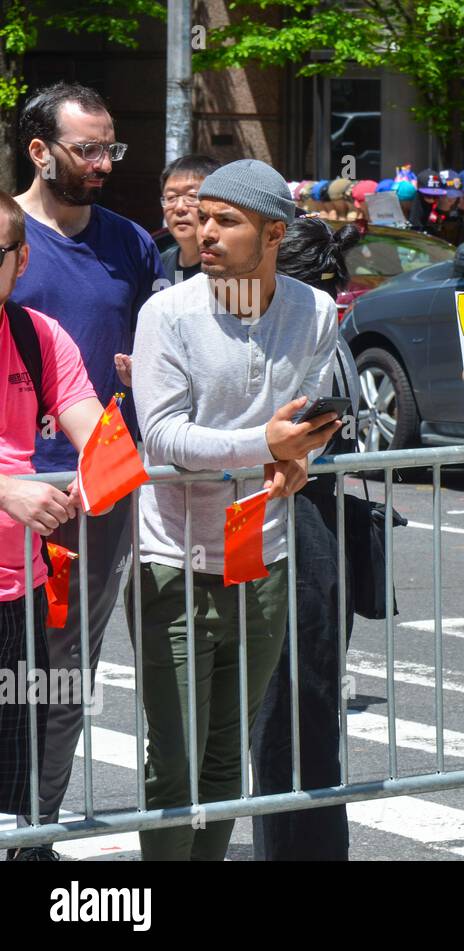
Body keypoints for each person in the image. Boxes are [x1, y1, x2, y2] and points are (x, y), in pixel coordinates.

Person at [129, 159, 342, 860]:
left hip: (264, 555)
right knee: (176, 762)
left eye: (226, 219)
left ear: (274, 232)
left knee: (227, 756)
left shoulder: (314, 310)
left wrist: (299, 452)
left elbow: (305, 417)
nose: (203, 229)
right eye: (201, 215)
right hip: (175, 560)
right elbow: (160, 434)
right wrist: (265, 443)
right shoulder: (168, 312)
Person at [9, 81, 164, 858]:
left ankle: (32, 828)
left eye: (112, 148)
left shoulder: (132, 245)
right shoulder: (7, 240)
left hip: (95, 496)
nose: (103, 163)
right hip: (12, 501)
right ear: (39, 151)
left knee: (64, 677)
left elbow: (157, 358)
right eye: (87, 148)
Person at [250, 214, 364, 861]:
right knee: (296, 717)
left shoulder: (306, 337)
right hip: (299, 535)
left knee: (291, 717)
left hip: (299, 534)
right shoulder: (317, 332)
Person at [0, 193, 105, 852]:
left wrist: (102, 466)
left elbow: (93, 427)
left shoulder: (38, 335)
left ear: (20, 259)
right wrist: (5, 491)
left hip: (21, 593)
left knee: (14, 787)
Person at [158, 154, 221, 285]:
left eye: (192, 196)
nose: (179, 207)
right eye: (171, 197)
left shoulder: (232, 268)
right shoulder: (159, 264)